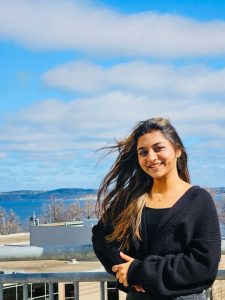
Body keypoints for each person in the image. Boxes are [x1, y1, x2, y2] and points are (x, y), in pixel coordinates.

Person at [92, 117, 221, 300]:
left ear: (177, 150)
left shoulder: (199, 201)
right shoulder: (131, 199)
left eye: (159, 148)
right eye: (143, 152)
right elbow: (101, 237)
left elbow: (204, 265)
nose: (151, 157)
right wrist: (126, 269)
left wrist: (142, 272)